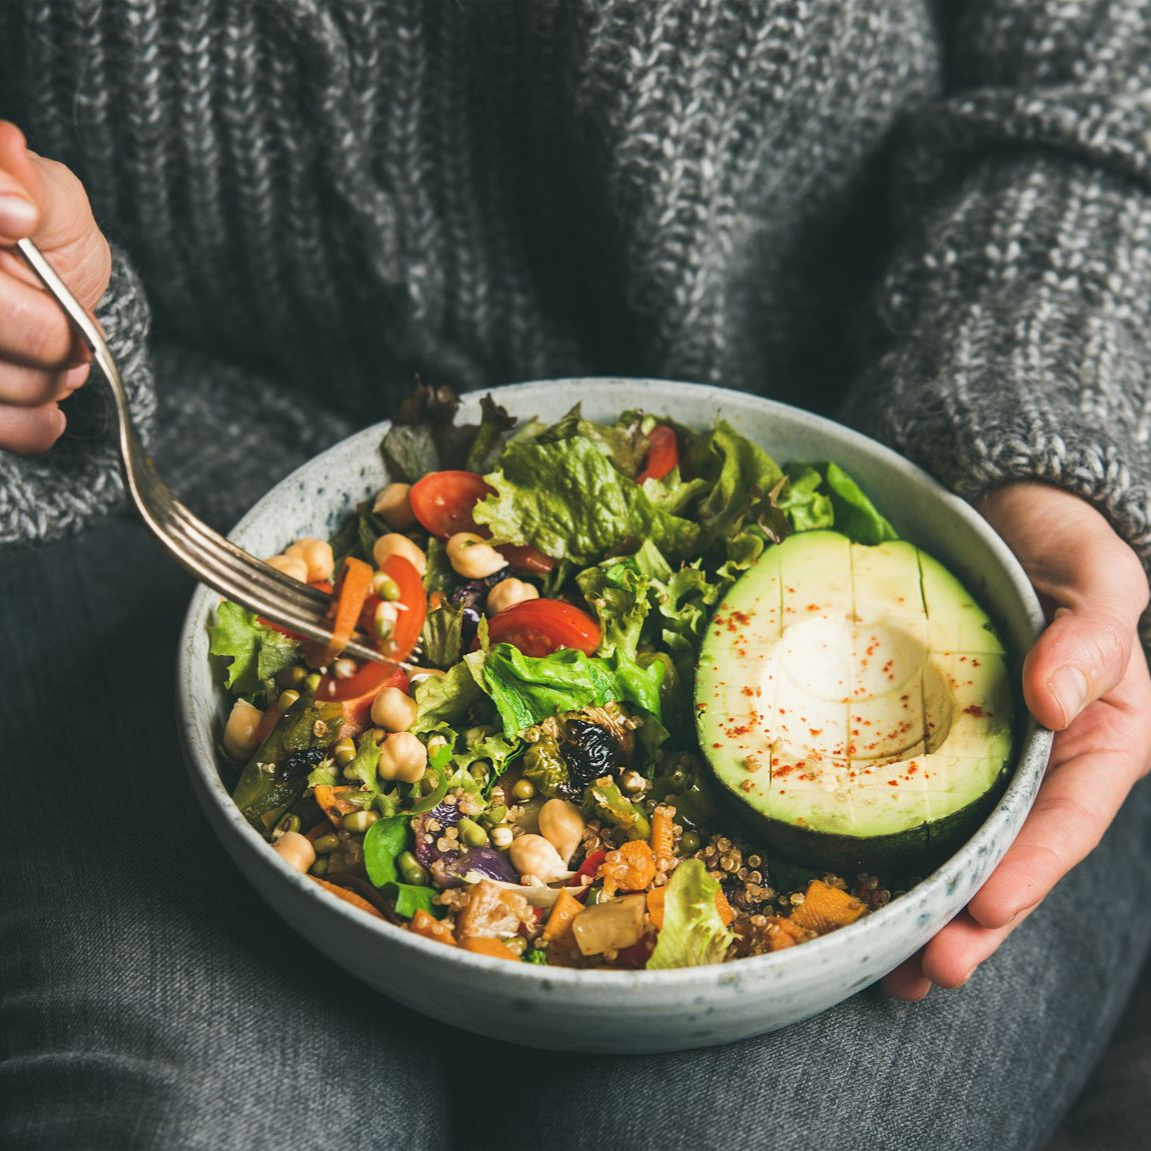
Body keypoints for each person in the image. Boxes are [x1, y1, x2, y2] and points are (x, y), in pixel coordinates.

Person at [1, 2, 1149, 1148]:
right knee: (190, 1117)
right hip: (156, 478)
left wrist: (1030, 433)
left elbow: (1095, 88)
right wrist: (41, 341)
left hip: (898, 434)